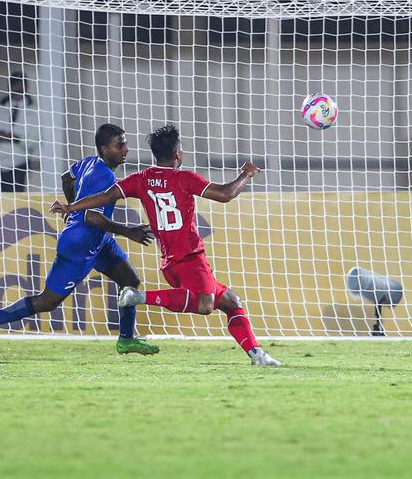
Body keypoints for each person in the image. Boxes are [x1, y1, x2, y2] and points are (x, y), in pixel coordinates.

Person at [49, 124, 281, 367]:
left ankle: (257, 355)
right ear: (177, 154)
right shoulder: (184, 178)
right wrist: (246, 174)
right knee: (205, 304)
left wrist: (70, 207)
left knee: (231, 302)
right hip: (191, 258)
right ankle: (138, 296)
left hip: (170, 263)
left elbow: (106, 196)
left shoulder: (140, 179)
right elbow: (225, 194)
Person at [0, 124, 159, 355]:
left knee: (130, 280)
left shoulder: (89, 162)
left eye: (125, 143)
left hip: (97, 240)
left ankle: (126, 339)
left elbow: (67, 178)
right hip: (79, 244)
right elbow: (92, 217)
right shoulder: (106, 176)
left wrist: (72, 208)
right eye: (120, 145)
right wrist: (129, 231)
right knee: (47, 302)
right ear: (104, 148)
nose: (126, 149)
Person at [0, 71, 37, 192]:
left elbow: (34, 140)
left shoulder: (34, 111)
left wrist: (15, 138)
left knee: (15, 205)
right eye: (15, 85)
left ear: (26, 87)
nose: (18, 89)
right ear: (10, 87)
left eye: (21, 85)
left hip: (17, 166)